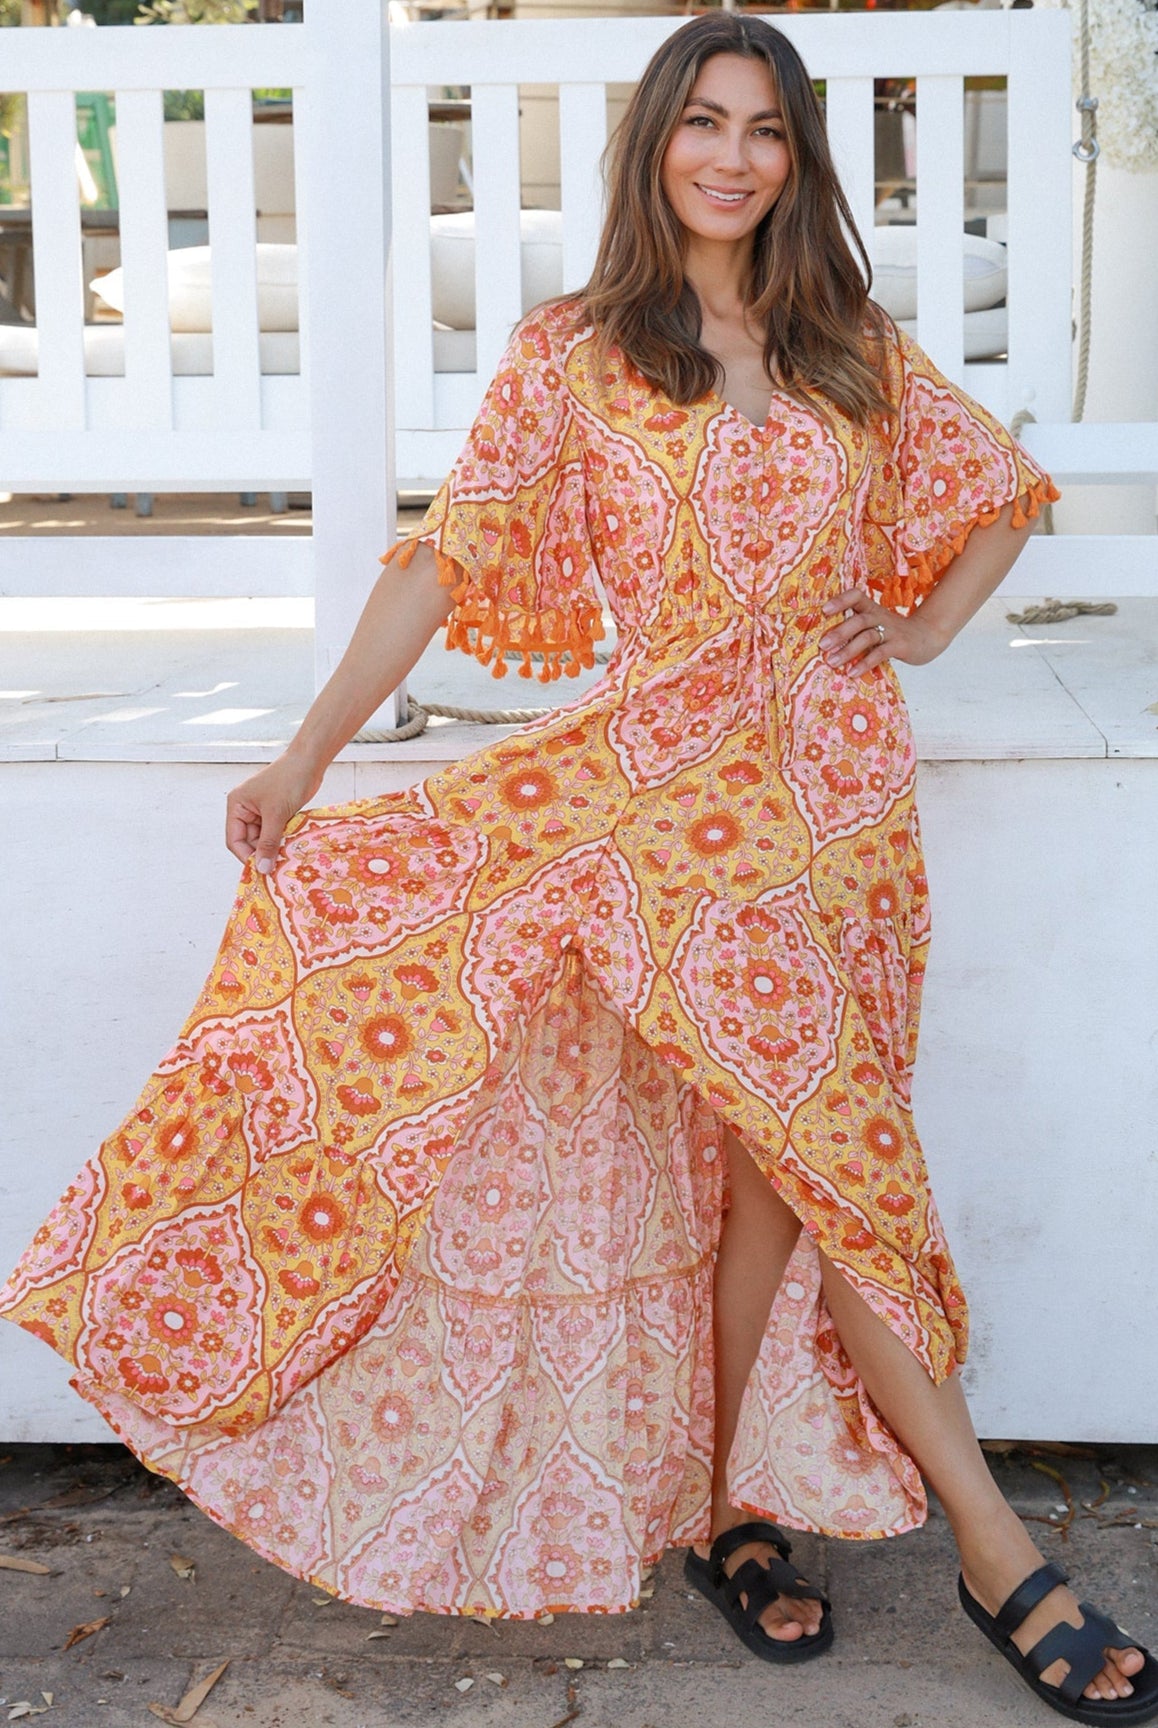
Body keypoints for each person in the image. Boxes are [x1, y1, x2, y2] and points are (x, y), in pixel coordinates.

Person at [2, 14, 1154, 1722]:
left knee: (778, 1180)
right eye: (703, 123)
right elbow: (443, 561)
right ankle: (997, 1550)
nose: (732, 158)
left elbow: (1000, 494)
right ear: (653, 143)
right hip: (668, 811)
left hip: (841, 812)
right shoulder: (578, 354)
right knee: (843, 1163)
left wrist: (916, 630)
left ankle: (730, 1510)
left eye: (764, 129)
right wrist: (304, 754)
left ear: (796, 157)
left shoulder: (846, 343)